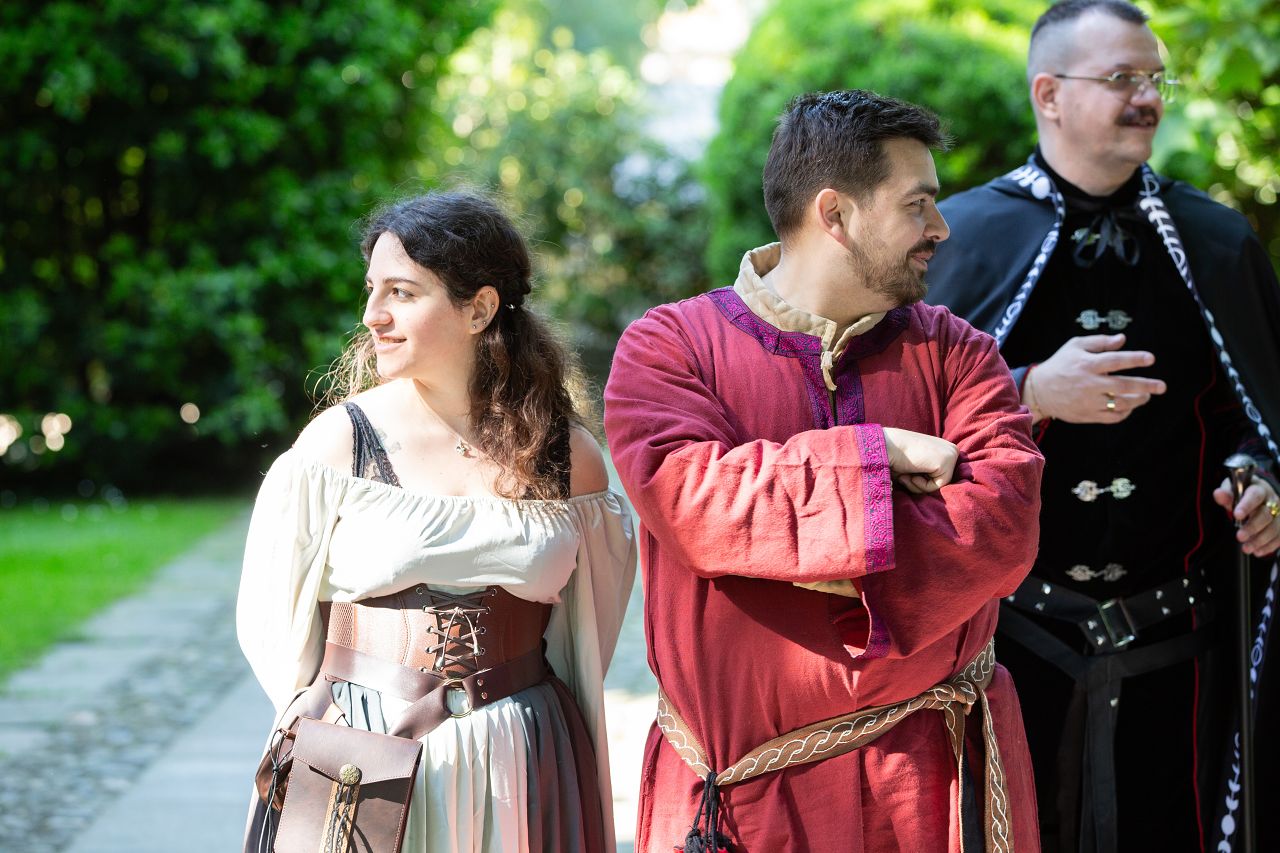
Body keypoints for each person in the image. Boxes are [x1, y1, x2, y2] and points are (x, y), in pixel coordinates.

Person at [604, 89, 1045, 852]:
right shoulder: (668, 347)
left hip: (927, 788)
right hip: (745, 805)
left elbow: (1001, 524)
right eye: (918, 204)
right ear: (834, 214)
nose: (940, 227)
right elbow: (696, 502)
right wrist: (882, 454)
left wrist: (782, 548)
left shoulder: (961, 354)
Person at [925, 3, 1280, 851]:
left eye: (1155, 78)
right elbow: (898, 427)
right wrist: (1030, 390)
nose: (1147, 97)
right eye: (1122, 78)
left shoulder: (1215, 240)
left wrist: (1262, 478)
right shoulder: (963, 239)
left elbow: (1257, 412)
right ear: (1048, 94)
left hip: (1182, 654)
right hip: (1012, 648)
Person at [236, 190, 637, 853]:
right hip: (362, 748)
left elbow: (588, 630)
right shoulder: (341, 445)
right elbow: (272, 622)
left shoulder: (566, 457)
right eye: (372, 289)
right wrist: (327, 721)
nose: (373, 314)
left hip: (519, 751)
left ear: (478, 308)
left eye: (401, 292)